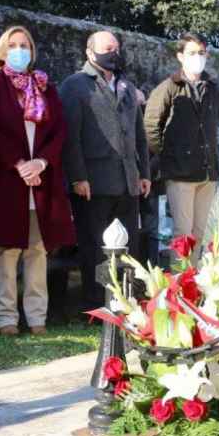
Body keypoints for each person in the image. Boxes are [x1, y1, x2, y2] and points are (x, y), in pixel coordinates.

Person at [0, 26, 75, 335]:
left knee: (38, 250)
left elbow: (59, 131)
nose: (19, 49)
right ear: (2, 51)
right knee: (5, 252)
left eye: (24, 44)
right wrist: (18, 163)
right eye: (13, 45)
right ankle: (6, 318)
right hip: (6, 178)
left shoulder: (45, 87)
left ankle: (37, 317)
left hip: (40, 178)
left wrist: (41, 161)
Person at [59, 31, 150, 312]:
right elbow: (70, 136)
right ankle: (96, 304)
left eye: (116, 48)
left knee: (128, 247)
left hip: (127, 181)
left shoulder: (126, 86)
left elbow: (139, 134)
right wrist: (77, 176)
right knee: (94, 247)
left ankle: (126, 303)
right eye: (107, 48)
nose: (114, 52)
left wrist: (143, 172)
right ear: (90, 52)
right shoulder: (75, 86)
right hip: (93, 183)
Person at [144, 33, 219, 262]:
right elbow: (150, 126)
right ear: (180, 56)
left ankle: (196, 284)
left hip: (207, 172)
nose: (198, 57)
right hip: (180, 173)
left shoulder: (212, 88)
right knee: (183, 235)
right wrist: (168, 156)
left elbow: (213, 125)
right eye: (192, 53)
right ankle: (180, 287)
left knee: (201, 234)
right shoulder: (169, 87)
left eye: (201, 52)